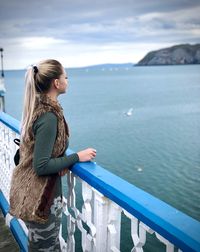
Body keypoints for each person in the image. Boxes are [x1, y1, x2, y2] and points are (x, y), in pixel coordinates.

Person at [9, 59, 96, 251]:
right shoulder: (48, 116)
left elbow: (29, 154)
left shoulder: (38, 108)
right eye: (65, 76)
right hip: (41, 199)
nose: (67, 80)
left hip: (32, 194)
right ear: (57, 83)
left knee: (42, 246)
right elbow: (41, 166)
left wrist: (60, 160)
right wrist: (76, 157)